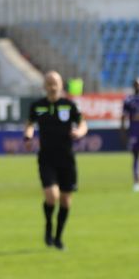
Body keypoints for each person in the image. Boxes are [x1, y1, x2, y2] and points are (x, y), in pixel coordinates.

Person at [23, 71, 87, 251]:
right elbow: (30, 124)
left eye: (55, 83)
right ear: (44, 86)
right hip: (46, 158)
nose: (52, 86)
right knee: (52, 196)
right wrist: (28, 137)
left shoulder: (69, 105)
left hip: (66, 159)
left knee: (65, 200)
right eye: (49, 83)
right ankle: (48, 226)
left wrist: (79, 132)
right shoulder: (37, 106)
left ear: (61, 85)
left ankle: (58, 237)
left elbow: (83, 123)